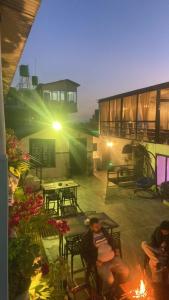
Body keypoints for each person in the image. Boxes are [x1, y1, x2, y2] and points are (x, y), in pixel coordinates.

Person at [81, 217, 129, 298]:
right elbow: (84, 253)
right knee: (109, 280)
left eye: (99, 225)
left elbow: (111, 240)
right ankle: (106, 294)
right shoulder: (88, 237)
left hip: (113, 258)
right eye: (96, 227)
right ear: (91, 227)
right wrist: (94, 261)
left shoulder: (103, 231)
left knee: (126, 271)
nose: (99, 228)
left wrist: (115, 249)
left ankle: (117, 287)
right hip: (102, 263)